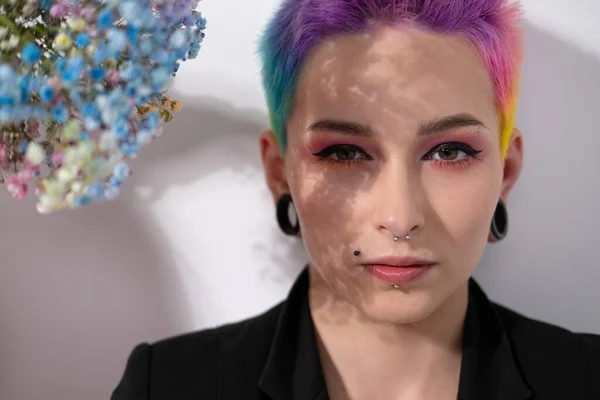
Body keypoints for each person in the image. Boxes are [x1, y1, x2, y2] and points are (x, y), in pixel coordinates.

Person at [111, 0, 600, 399]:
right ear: (280, 172)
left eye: (449, 151)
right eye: (344, 152)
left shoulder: (586, 379)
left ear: (506, 171)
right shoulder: (168, 386)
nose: (399, 217)